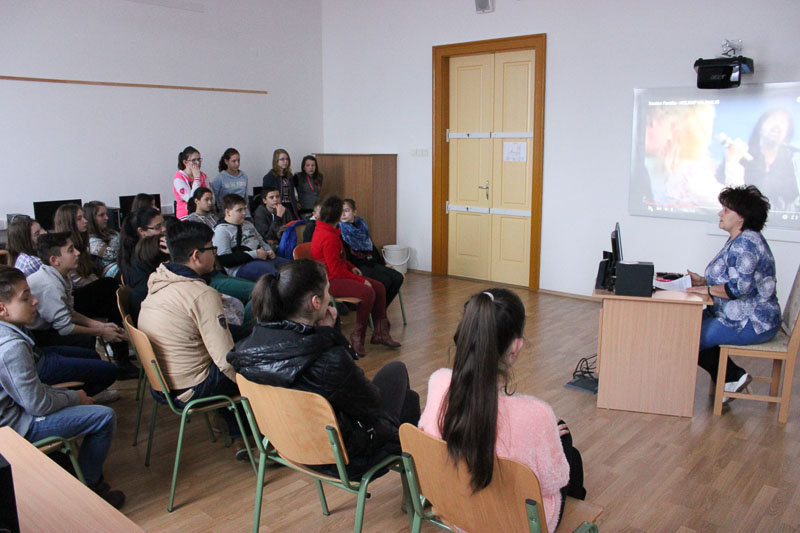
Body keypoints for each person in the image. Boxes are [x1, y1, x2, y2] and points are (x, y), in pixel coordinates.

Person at [227, 259, 420, 477]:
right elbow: (371, 405)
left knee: (408, 399)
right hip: (343, 458)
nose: (331, 298)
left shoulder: (248, 349)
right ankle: (416, 482)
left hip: (289, 445)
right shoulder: (329, 359)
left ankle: (415, 480)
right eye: (328, 291)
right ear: (316, 302)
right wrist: (331, 335)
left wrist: (325, 334)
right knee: (398, 374)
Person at [418, 288, 585, 532]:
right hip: (517, 525)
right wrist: (547, 436)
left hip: (455, 510)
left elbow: (430, 434)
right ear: (516, 347)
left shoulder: (439, 382)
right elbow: (555, 481)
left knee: (567, 448)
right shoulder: (537, 414)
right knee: (568, 446)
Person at [0, 266, 125, 508]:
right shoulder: (11, 347)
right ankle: (88, 487)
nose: (35, 300)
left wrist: (67, 395)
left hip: (17, 411)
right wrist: (75, 398)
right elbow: (37, 405)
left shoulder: (10, 333)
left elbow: (33, 393)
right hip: (15, 427)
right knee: (104, 417)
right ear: (2, 309)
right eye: (25, 297)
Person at [138, 221, 250, 452]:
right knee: (255, 363)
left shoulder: (160, 278)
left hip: (164, 383)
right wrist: (249, 381)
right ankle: (253, 437)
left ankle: (234, 427)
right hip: (191, 389)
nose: (215, 254)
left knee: (242, 338)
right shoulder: (201, 294)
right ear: (196, 256)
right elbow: (225, 361)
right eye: (212, 248)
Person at [687, 185, 781, 400]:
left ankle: (732, 376)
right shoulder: (738, 239)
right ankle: (731, 378)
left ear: (742, 217)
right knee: (684, 325)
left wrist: (707, 289)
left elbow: (737, 289)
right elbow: (733, 278)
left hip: (751, 321)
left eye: (726, 210)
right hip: (733, 314)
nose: (720, 213)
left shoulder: (746, 244)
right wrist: (703, 281)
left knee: (687, 336)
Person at [26, 233, 137, 378]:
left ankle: (119, 357)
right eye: (71, 250)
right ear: (54, 260)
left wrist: (101, 326)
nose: (77, 252)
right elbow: (65, 328)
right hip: (40, 336)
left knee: (107, 285)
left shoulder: (60, 275)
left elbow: (70, 312)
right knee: (86, 341)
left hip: (51, 327)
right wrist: (101, 332)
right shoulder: (50, 285)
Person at [311, 196, 400, 355]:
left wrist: (351, 266)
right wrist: (360, 280)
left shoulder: (329, 230)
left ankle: (380, 333)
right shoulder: (328, 236)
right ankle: (358, 335)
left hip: (336, 275)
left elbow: (338, 260)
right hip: (329, 281)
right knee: (368, 291)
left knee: (379, 287)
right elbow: (335, 271)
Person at [53, 205, 133, 375]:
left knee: (113, 296)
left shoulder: (82, 244)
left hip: (83, 295)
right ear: (69, 222)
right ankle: (123, 352)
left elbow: (88, 276)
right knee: (110, 287)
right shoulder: (64, 250)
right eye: (79, 218)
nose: (85, 221)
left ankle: (122, 350)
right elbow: (78, 281)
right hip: (74, 299)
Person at [719, 109, 800, 212]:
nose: (777, 124)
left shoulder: (795, 158)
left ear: (787, 133)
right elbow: (722, 190)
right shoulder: (740, 154)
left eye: (783, 122)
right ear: (761, 127)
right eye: (773, 119)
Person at [340, 198, 403, 306]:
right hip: (357, 266)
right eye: (340, 211)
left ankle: (381, 309)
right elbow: (344, 255)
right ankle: (377, 310)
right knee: (385, 281)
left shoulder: (362, 226)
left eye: (346, 210)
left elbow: (371, 246)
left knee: (398, 277)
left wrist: (383, 263)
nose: (343, 214)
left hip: (370, 262)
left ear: (354, 212)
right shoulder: (340, 230)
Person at [213, 194, 289, 282]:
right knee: (275, 275)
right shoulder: (222, 230)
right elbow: (225, 260)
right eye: (239, 210)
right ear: (228, 212)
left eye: (244, 209)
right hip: (241, 266)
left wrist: (269, 250)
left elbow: (261, 241)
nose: (244, 213)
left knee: (292, 267)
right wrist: (255, 254)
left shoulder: (248, 224)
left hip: (262, 258)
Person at [117, 207, 165, 283]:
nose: (164, 229)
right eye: (158, 227)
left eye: (164, 224)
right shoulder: (142, 258)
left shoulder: (155, 249)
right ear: (141, 231)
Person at [83, 201, 121, 279]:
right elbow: (112, 254)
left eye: (106, 214)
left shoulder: (111, 232)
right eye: (101, 215)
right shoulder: (90, 241)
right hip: (112, 275)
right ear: (91, 218)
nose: (107, 218)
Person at [261, 149, 299, 220]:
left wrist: (296, 203)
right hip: (278, 207)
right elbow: (267, 196)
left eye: (287, 159)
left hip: (290, 206)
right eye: (282, 159)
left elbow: (291, 193)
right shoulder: (269, 177)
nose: (285, 161)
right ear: (276, 161)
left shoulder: (289, 176)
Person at [212, 148, 251, 217]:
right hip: (228, 214)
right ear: (226, 161)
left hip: (244, 213)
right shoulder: (220, 178)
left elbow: (246, 198)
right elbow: (214, 198)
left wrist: (249, 215)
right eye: (234, 161)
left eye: (238, 160)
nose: (237, 164)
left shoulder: (243, 176)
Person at [173, 146, 208, 219]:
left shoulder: (203, 176)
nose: (197, 163)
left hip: (203, 214)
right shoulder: (179, 178)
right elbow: (191, 201)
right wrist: (197, 178)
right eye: (194, 160)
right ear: (185, 162)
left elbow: (211, 197)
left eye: (199, 159)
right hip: (186, 216)